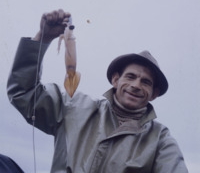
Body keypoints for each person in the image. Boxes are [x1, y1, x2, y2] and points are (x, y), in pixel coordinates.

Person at [7, 9, 188, 173]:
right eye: (131, 77)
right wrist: (43, 38)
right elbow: (24, 93)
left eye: (146, 82)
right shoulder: (73, 106)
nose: (136, 85)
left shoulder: (160, 139)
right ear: (116, 80)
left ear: (154, 93)